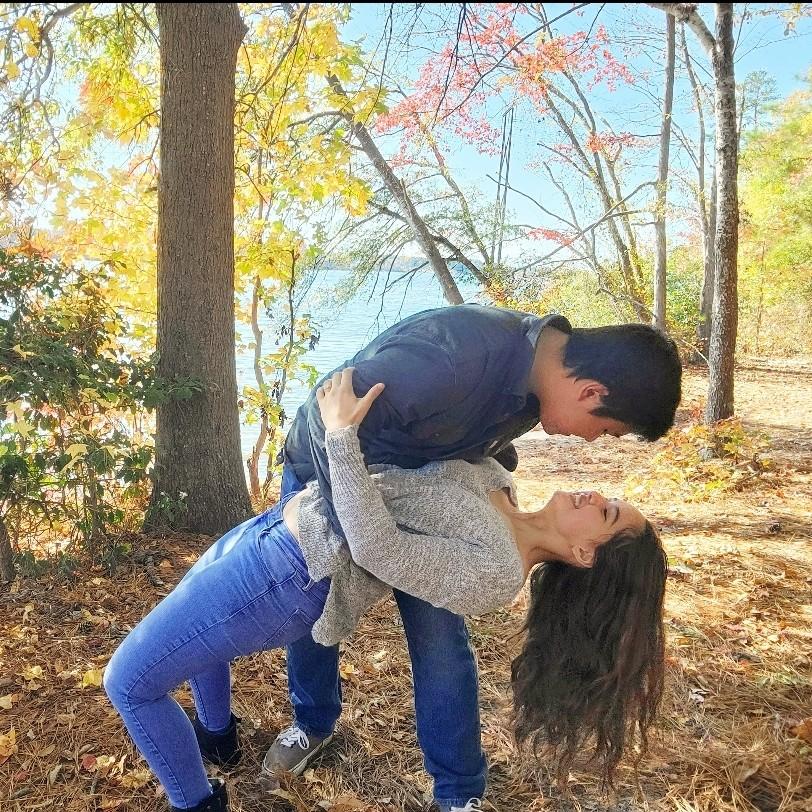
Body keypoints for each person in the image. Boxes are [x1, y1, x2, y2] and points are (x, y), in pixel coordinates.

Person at [104, 368, 668, 812]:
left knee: (129, 682)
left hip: (290, 576)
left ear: (586, 554)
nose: (595, 494)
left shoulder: (496, 572)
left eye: (607, 512)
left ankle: (196, 802)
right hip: (277, 530)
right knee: (198, 633)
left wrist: (341, 436)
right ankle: (216, 737)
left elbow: (380, 550)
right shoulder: (503, 486)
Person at [264, 305, 681, 812]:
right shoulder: (449, 357)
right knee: (314, 606)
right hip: (325, 472)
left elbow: (479, 441)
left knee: (441, 640)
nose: (594, 441)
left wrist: (491, 484)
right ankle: (313, 723)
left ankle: (459, 793)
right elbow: (329, 411)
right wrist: (340, 533)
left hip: (431, 511)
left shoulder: (537, 385)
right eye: (607, 430)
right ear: (591, 392)